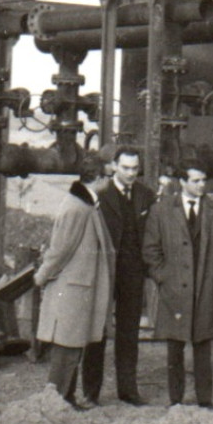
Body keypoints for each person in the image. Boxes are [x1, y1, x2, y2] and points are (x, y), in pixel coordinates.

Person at [142, 151, 213, 408]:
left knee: (203, 345)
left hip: (204, 288)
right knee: (175, 347)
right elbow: (150, 249)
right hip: (174, 290)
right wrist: (162, 278)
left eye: (204, 180)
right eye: (195, 181)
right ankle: (176, 400)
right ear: (182, 182)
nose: (201, 185)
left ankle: (205, 400)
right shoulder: (161, 211)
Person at [32, 152, 114, 410]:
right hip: (72, 292)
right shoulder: (77, 208)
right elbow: (60, 250)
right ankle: (54, 402)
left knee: (72, 348)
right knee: (67, 350)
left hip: (78, 290)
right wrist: (41, 276)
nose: (110, 182)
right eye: (108, 176)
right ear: (99, 178)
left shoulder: (85, 204)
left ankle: (65, 399)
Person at [81, 145, 155, 406]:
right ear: (113, 166)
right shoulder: (98, 195)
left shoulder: (147, 196)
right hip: (103, 271)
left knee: (129, 332)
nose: (131, 173)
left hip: (133, 273)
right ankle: (91, 391)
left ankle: (128, 390)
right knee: (97, 330)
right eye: (125, 168)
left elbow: (151, 235)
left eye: (135, 168)